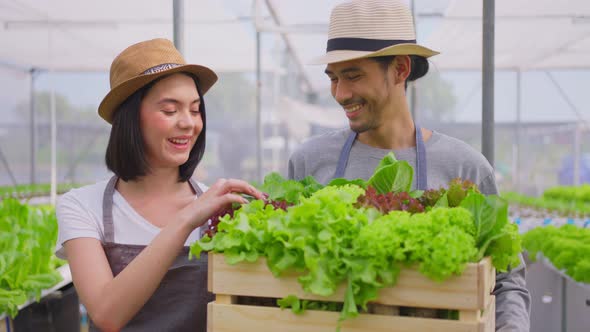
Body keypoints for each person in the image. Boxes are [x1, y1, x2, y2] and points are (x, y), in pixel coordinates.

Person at [288, 1, 530, 331]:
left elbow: (505, 282)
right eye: (333, 78)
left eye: (353, 76)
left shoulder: (466, 167)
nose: (341, 93)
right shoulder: (308, 162)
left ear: (400, 69)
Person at [55, 38, 264, 332]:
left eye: (194, 109)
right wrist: (187, 218)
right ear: (130, 118)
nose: (189, 123)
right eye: (170, 110)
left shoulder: (220, 208)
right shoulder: (80, 206)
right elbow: (106, 313)